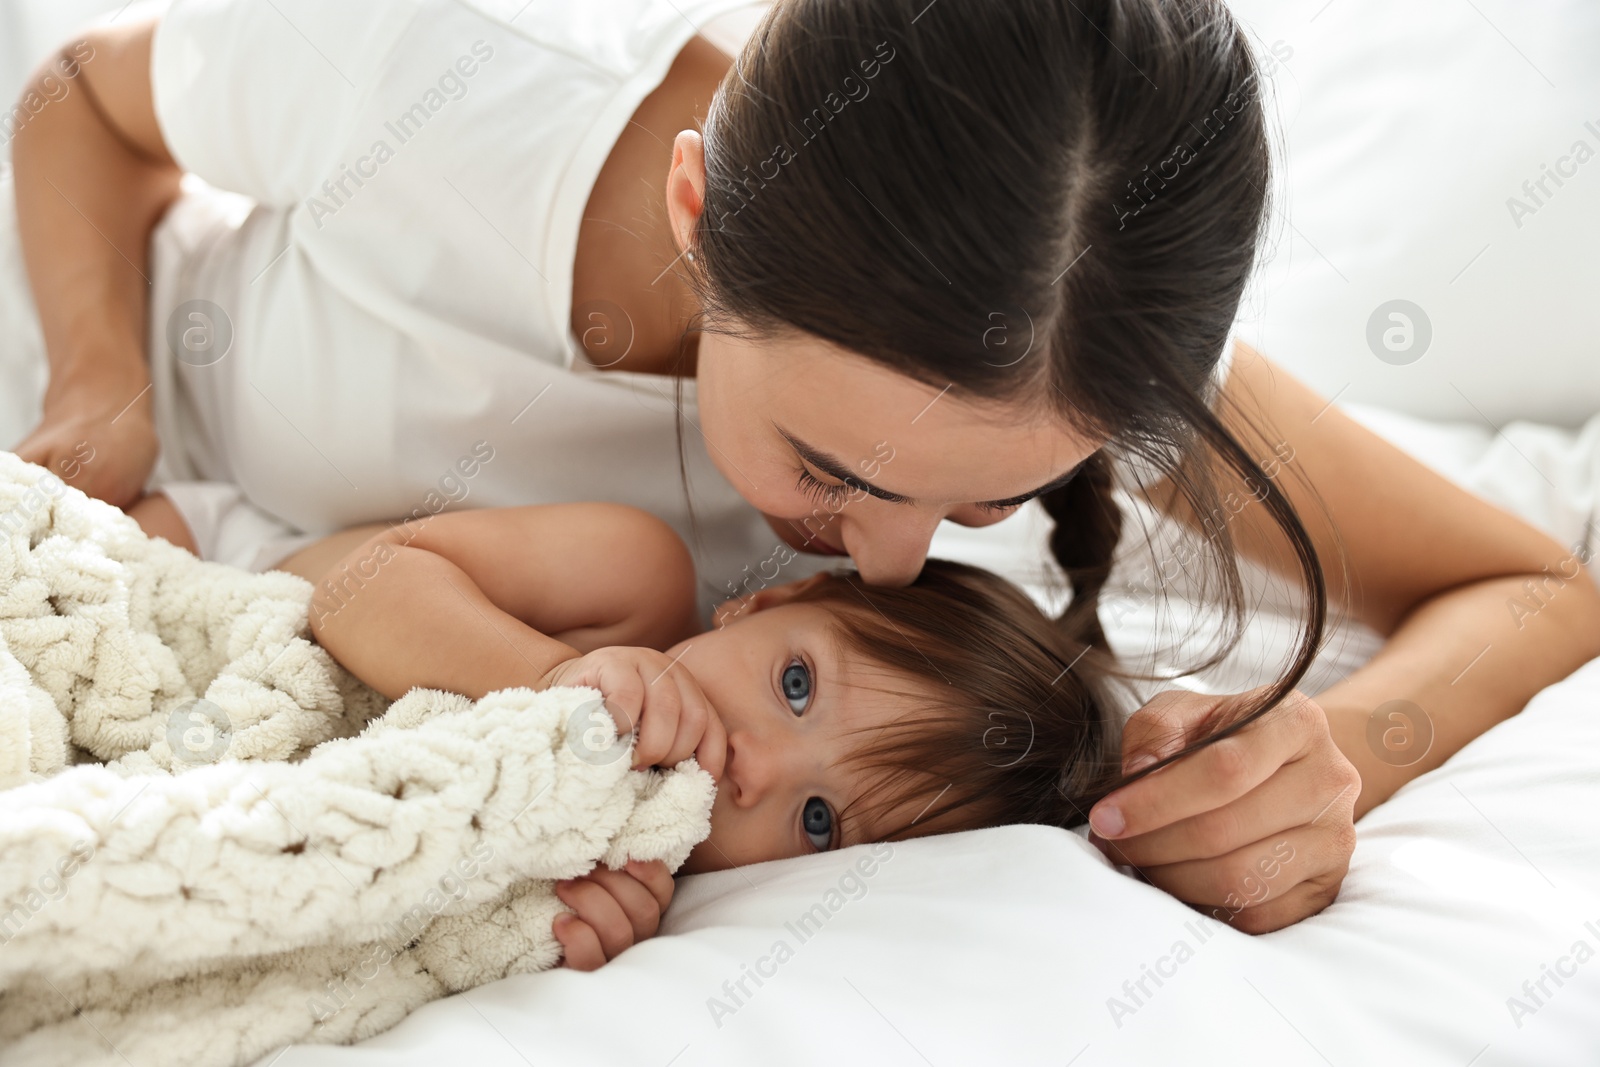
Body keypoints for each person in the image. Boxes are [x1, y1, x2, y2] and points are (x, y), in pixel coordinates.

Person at [7, 0, 1600, 940]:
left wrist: (1336, 757)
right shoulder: (437, 71)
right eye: (836, 466)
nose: (893, 566)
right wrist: (102, 389)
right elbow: (85, 100)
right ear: (700, 221)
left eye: (989, 503)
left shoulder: (1077, 328)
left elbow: (1533, 583)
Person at [284, 499, 1136, 971]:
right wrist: (550, 680)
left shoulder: (647, 877)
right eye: (794, 684)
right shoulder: (631, 581)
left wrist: (558, 927)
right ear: (766, 602)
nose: (753, 764)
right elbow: (358, 584)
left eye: (817, 822)